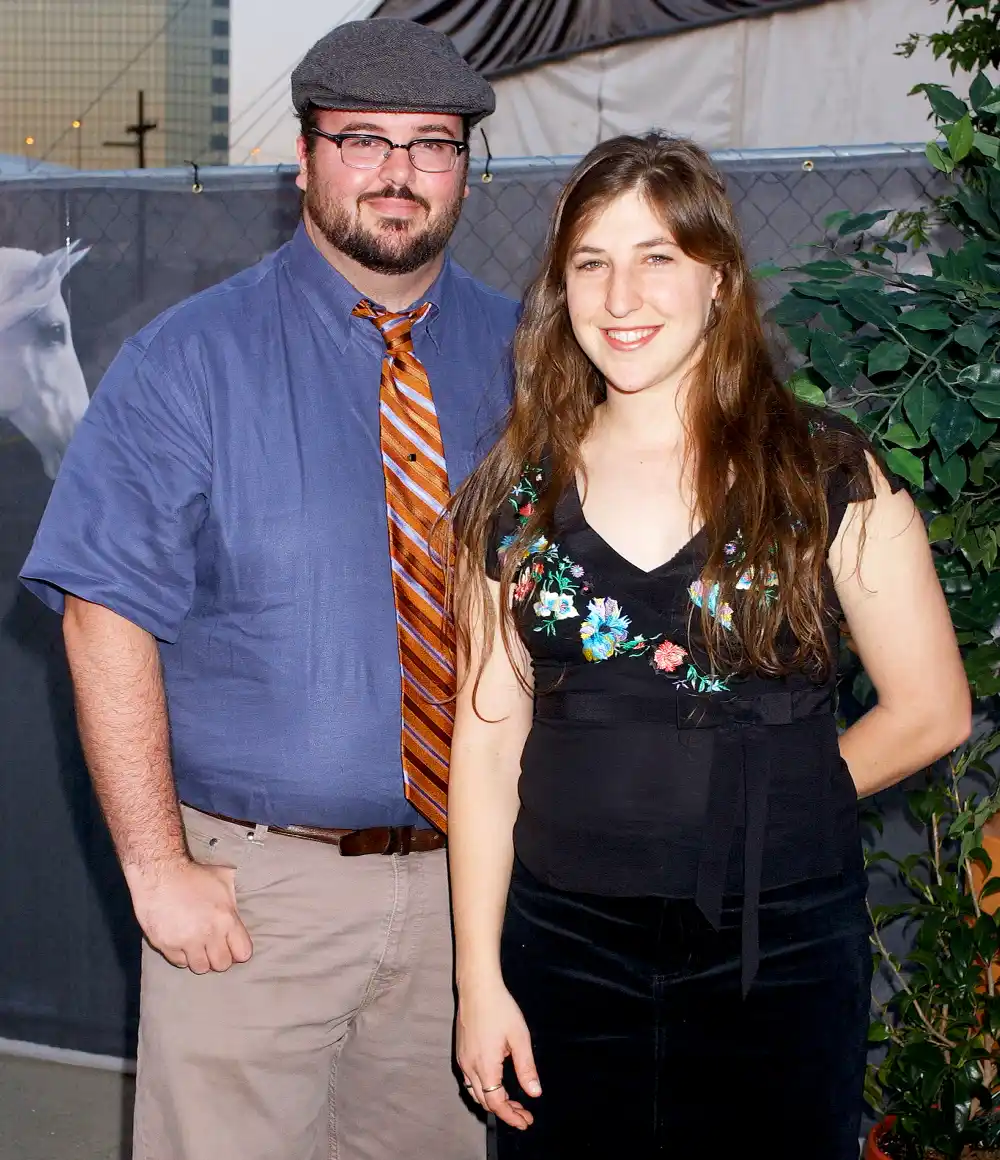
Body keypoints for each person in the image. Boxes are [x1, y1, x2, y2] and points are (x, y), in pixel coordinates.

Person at [20, 18, 517, 1160]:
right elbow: (103, 615)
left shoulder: (527, 354)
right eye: (362, 139)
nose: (396, 173)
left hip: (472, 891)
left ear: (463, 169)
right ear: (303, 158)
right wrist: (159, 868)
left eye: (430, 144)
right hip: (253, 897)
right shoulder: (186, 360)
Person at [446, 133, 971, 1158]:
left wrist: (765, 802)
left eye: (657, 257)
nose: (620, 294)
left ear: (717, 278)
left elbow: (931, 710)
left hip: (775, 952)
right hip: (564, 951)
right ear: (560, 289)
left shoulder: (823, 474)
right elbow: (484, 745)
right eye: (590, 262)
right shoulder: (513, 496)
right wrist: (478, 980)